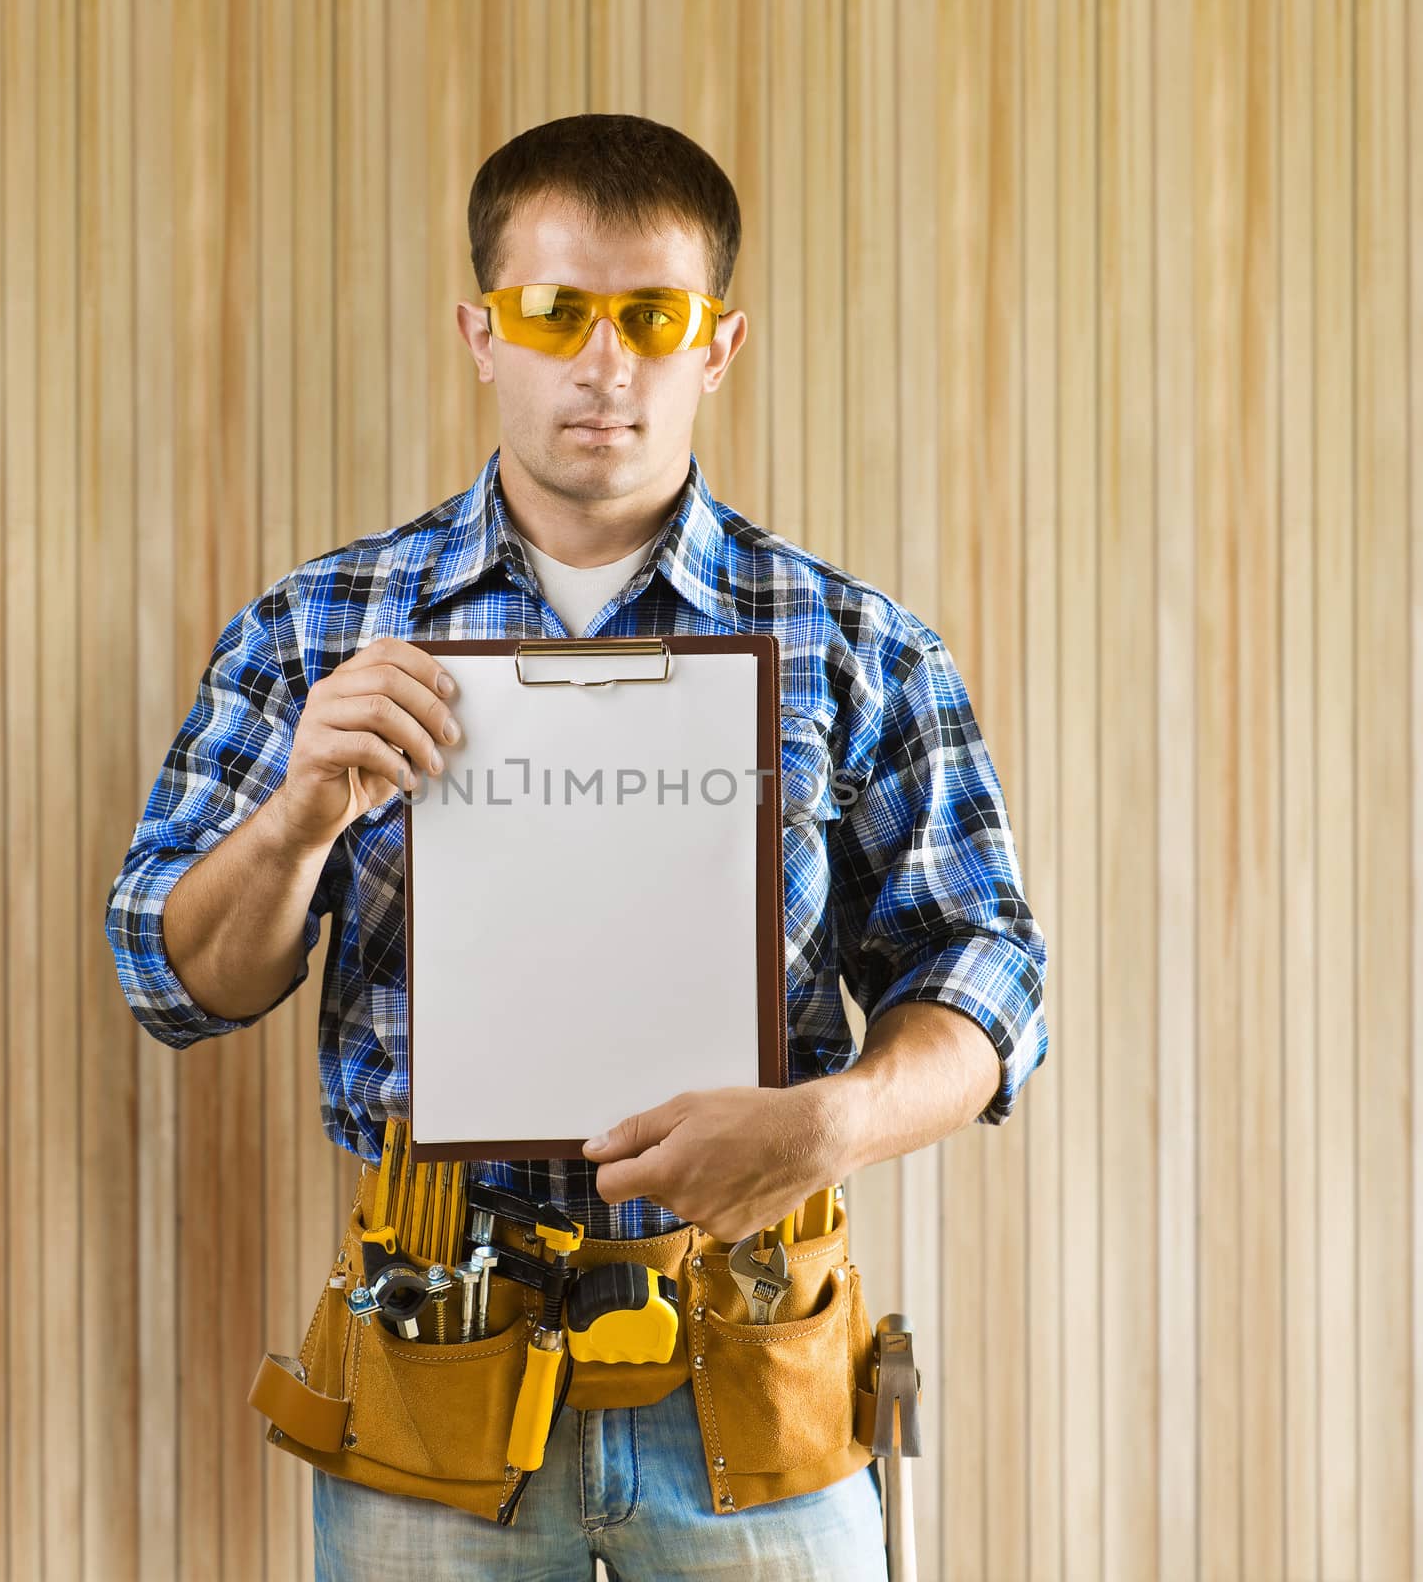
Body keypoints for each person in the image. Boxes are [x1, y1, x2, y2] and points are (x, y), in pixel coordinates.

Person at [106, 112, 1048, 1581]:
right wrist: (300, 812)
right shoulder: (316, 631)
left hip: (751, 1347)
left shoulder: (855, 643)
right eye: (555, 313)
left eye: (649, 318)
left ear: (714, 346)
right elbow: (179, 983)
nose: (602, 365)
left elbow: (987, 969)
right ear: (483, 333)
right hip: (434, 1358)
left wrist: (833, 1123)